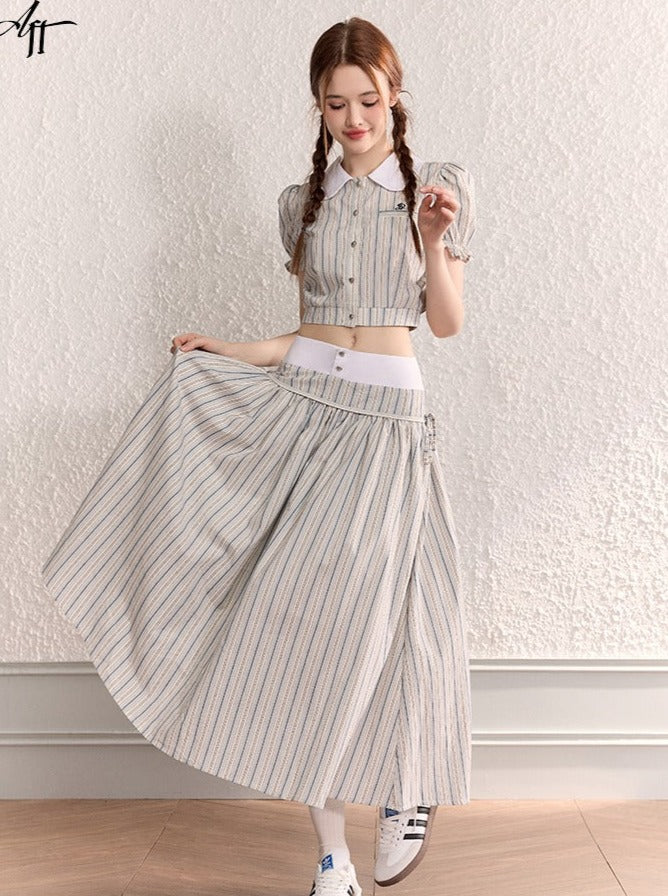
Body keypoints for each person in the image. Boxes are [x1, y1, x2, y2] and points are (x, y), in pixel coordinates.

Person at [41, 16, 475, 896]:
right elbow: (309, 335)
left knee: (385, 626)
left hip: (384, 429)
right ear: (318, 107)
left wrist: (432, 239)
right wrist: (228, 352)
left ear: (395, 97)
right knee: (298, 632)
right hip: (302, 415)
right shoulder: (301, 203)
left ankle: (405, 785)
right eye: (335, 104)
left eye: (367, 100)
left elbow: (446, 323)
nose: (353, 119)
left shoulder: (435, 188)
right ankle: (332, 859)